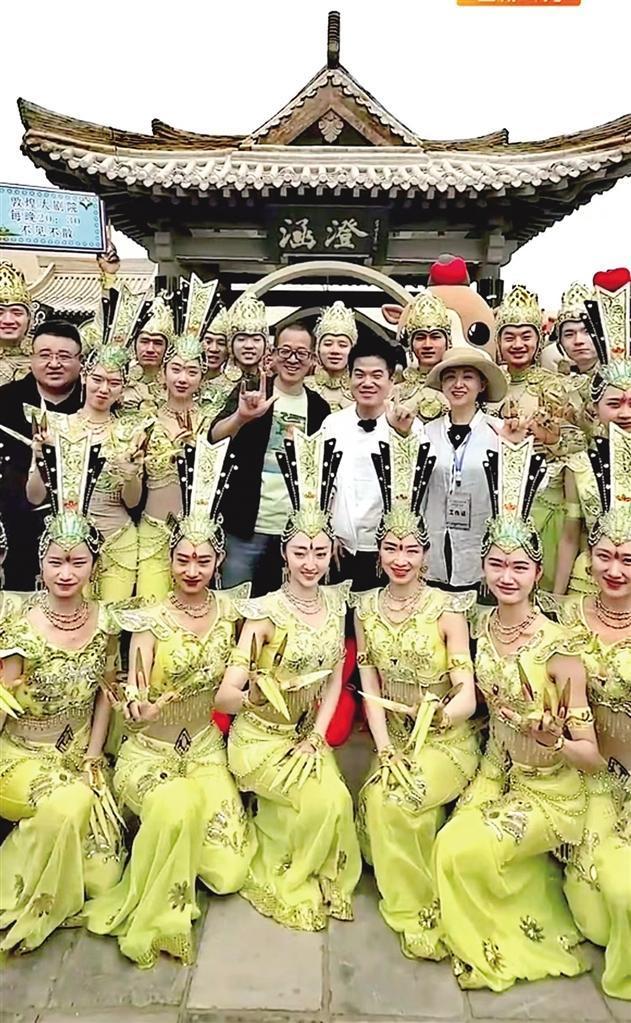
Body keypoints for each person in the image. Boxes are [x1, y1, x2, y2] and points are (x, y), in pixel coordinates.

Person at [433, 436, 601, 991]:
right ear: (484, 568)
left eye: (520, 567)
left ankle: (497, 945)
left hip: (552, 791)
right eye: (497, 565)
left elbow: (591, 757)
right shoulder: (482, 628)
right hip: (496, 771)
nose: (507, 576)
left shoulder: (559, 649)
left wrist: (556, 742)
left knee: (459, 848)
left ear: (537, 572)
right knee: (450, 842)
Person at [84, 436, 255, 968]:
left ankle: (170, 843)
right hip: (150, 753)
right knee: (176, 805)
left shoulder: (233, 614)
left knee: (229, 873)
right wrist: (138, 711)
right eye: (182, 559)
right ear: (170, 560)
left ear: (218, 561)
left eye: (203, 560)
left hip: (204, 749)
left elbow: (242, 681)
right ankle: (161, 909)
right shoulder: (149, 620)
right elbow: (134, 693)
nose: (192, 570)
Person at [215, 429, 361, 930]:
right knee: (318, 801)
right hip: (259, 740)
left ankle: (314, 867)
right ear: (284, 554)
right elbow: (225, 694)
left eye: (320, 553)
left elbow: (334, 681)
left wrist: (317, 736)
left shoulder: (337, 604)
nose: (311, 563)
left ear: (331, 553)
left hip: (304, 737)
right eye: (301, 552)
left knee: (336, 799)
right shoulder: (264, 614)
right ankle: (289, 876)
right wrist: (255, 697)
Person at [353, 431, 479, 959]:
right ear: (379, 553)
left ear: (426, 556)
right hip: (395, 740)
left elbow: (467, 694)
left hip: (444, 739)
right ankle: (410, 895)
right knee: (384, 797)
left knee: (399, 801)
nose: (400, 559)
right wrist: (384, 747)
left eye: (410, 549)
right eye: (391, 548)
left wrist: (440, 718)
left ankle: (421, 908)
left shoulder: (448, 609)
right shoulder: (364, 607)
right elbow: (370, 686)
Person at [0, 433, 124, 953]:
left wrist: (94, 755)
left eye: (77, 562)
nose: (66, 573)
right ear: (41, 565)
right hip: (21, 756)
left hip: (79, 754)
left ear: (95, 566)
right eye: (56, 562)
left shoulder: (106, 621)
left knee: (103, 880)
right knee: (68, 804)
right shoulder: (20, 627)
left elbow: (104, 694)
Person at [550, 424, 631, 1001]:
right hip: (590, 775)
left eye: (627, 558)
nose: (614, 569)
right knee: (593, 909)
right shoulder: (568, 622)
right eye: (605, 556)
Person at [25, 338, 150, 602]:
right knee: (71, 620)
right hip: (68, 545)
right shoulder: (56, 427)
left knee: (111, 621)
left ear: (123, 388)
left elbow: (132, 502)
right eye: (97, 379)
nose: (104, 389)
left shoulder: (130, 433)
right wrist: (39, 459)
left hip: (118, 542)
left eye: (114, 383)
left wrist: (130, 475)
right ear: (84, 377)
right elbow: (35, 497)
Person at [212, 316, 330, 594]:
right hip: (245, 525)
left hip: (295, 532)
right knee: (235, 603)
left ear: (312, 360)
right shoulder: (254, 390)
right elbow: (214, 438)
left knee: (288, 608)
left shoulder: (319, 407)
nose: (293, 359)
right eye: (285, 351)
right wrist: (241, 417)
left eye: (301, 353)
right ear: (273, 355)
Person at [495, 284, 585, 591]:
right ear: (498, 341)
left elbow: (578, 446)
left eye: (526, 336)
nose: (518, 344)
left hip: (543, 503)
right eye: (509, 336)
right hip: (493, 494)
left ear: (539, 339)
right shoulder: (487, 382)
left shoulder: (555, 386)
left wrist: (551, 441)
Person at [137, 276, 217, 600]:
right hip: (152, 530)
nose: (183, 378)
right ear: (163, 372)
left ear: (202, 376)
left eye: (192, 371)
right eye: (176, 369)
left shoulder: (212, 420)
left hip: (197, 539)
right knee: (150, 608)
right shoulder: (143, 419)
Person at [322, 335, 420, 593]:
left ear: (391, 380)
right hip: (340, 548)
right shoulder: (333, 424)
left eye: (377, 375)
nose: (367, 383)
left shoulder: (409, 426)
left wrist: (402, 435)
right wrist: (326, 531)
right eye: (359, 375)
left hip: (389, 552)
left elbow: (418, 483)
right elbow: (323, 484)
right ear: (349, 378)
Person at [554, 274, 631, 594]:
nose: (624, 412)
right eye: (569, 333)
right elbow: (571, 535)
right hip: (588, 570)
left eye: (586, 331)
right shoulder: (557, 388)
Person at [0, 320, 83, 591]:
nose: (54, 363)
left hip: (78, 532)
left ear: (80, 361)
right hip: (13, 525)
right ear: (32, 358)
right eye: (45, 355)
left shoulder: (94, 401)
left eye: (64, 356)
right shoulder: (5, 400)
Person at [422, 347, 507, 592]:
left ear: (482, 384)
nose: (458, 384)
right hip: (434, 543)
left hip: (482, 547)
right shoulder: (426, 432)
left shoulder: (500, 432)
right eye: (450, 377)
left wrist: (514, 448)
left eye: (467, 377)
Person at [387, 289, 452, 423]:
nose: (427, 345)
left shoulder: (459, 387)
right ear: (411, 344)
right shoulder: (397, 391)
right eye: (420, 337)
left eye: (435, 337)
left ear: (448, 342)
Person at [120, 290, 174, 416]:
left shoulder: (176, 385)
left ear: (167, 348)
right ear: (134, 345)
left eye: (157, 343)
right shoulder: (120, 382)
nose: (150, 349)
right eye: (144, 341)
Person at [305, 301, 355, 411]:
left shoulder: (361, 389)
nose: (335, 351)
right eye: (328, 344)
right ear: (317, 349)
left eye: (342, 345)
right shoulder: (303, 387)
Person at [0, 261, 34, 386]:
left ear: (29, 319)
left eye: (17, 313)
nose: (8, 320)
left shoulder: (45, 358)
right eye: (0, 312)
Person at [199, 305, 232, 414]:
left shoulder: (231, 388)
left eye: (221, 343)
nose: (214, 349)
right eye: (208, 341)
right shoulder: (183, 382)